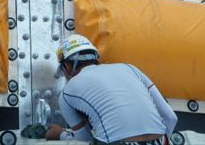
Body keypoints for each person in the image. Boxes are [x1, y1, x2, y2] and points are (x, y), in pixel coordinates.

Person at [46, 34, 177, 144]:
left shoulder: (66, 94)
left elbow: (84, 140)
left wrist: (61, 134)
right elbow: (170, 117)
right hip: (160, 140)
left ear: (68, 66)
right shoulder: (130, 68)